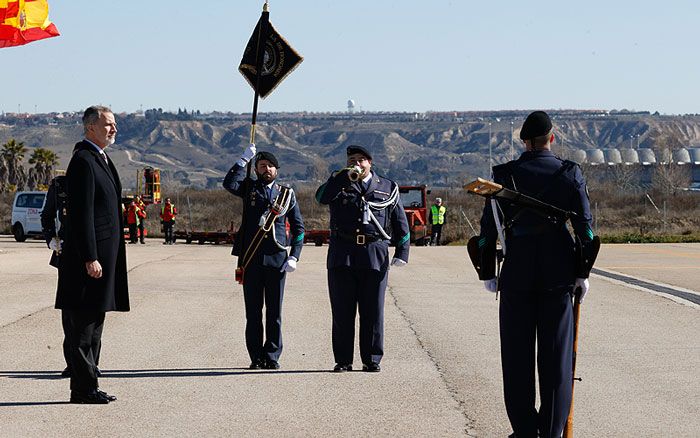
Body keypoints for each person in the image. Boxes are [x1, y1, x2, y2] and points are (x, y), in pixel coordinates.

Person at [475, 111, 598, 438]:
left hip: (516, 274)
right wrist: (583, 273)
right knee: (557, 360)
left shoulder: (503, 176)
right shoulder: (570, 174)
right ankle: (553, 431)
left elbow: (487, 232)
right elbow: (585, 231)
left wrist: (487, 271)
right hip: (558, 276)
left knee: (516, 359)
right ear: (551, 139)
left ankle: (525, 431)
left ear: (524, 142)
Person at [56, 105, 130, 404]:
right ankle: (82, 389)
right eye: (108, 124)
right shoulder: (84, 161)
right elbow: (81, 215)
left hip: (104, 259)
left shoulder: (100, 158)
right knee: (83, 329)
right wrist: (90, 256)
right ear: (91, 128)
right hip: (88, 262)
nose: (114, 129)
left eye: (114, 124)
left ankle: (91, 384)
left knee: (95, 327)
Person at [316, 145, 410, 372]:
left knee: (373, 311)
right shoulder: (339, 182)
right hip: (343, 254)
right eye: (352, 159)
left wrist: (402, 251)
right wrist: (338, 179)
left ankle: (372, 359)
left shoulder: (388, 187)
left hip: (374, 254)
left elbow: (399, 221)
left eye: (361, 159)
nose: (356, 163)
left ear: (371, 162)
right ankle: (343, 360)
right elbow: (321, 198)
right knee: (342, 311)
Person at [223, 144, 304, 370]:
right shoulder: (249, 188)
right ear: (256, 169)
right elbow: (229, 184)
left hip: (278, 260)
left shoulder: (287, 194)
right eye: (260, 166)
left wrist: (294, 256)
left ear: (276, 170)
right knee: (253, 312)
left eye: (269, 166)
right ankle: (256, 357)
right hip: (251, 260)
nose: (265, 169)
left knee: (275, 313)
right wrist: (242, 161)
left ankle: (272, 355)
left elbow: (299, 229)